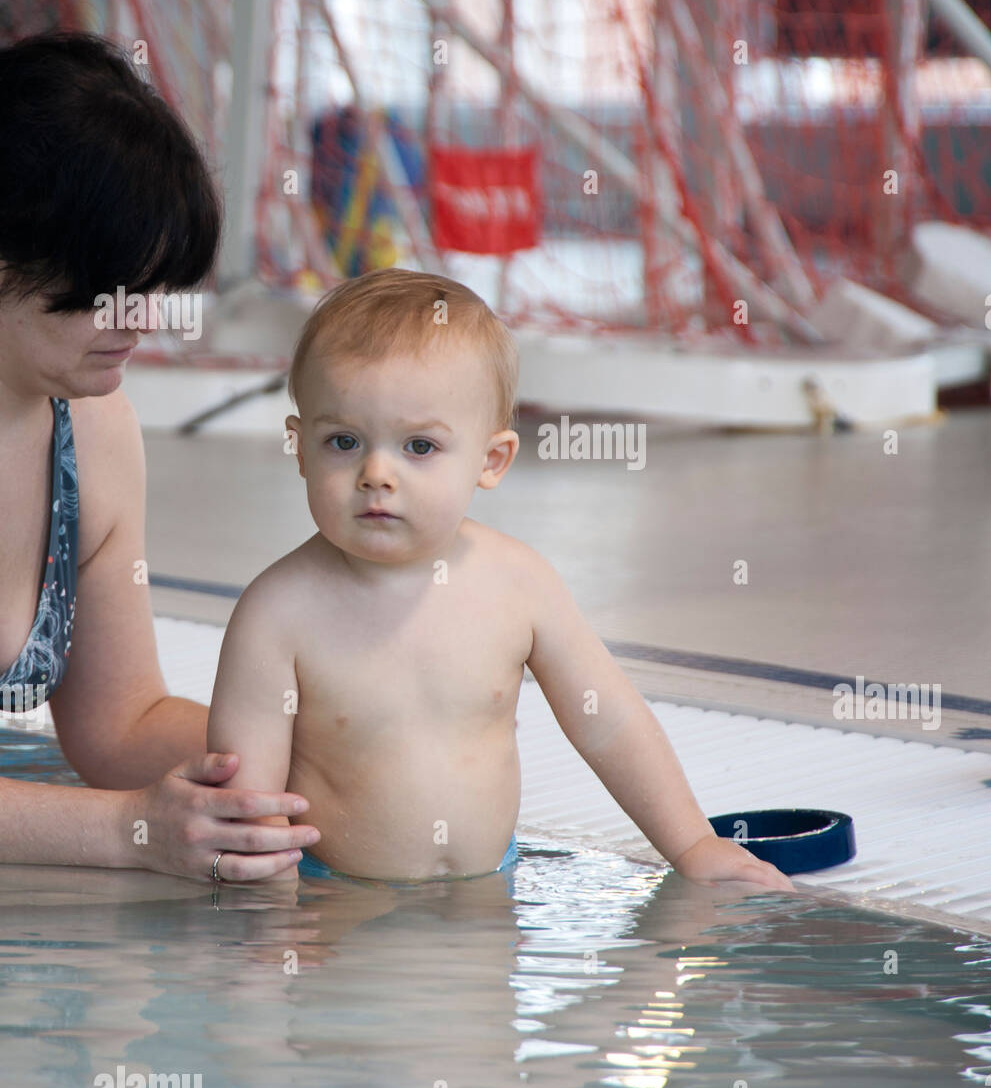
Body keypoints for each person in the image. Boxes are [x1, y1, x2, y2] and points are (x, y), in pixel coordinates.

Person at [206, 269, 794, 891]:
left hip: (492, 895)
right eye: (344, 441)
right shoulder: (278, 614)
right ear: (299, 449)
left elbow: (608, 721)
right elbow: (250, 799)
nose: (377, 473)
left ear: (491, 461)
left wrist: (695, 844)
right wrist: (269, 923)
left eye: (420, 447)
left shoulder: (518, 584)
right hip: (338, 905)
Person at [0, 31, 320, 879]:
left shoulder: (95, 437)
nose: (143, 320)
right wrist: (128, 830)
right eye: (109, 289)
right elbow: (124, 813)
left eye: (153, 287)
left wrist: (315, 754)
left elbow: (121, 726)